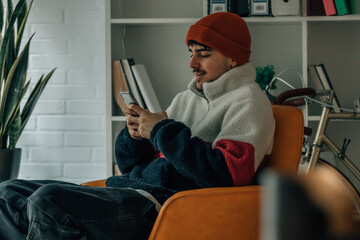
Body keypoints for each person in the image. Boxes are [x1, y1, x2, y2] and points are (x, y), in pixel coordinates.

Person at [0, 12, 275, 240]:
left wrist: (159, 130)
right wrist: (136, 135)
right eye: (191, 53)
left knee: (46, 201)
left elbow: (227, 174)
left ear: (233, 58)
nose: (192, 63)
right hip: (130, 190)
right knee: (7, 194)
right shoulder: (186, 98)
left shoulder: (249, 102)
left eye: (203, 54)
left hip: (164, 206)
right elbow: (130, 165)